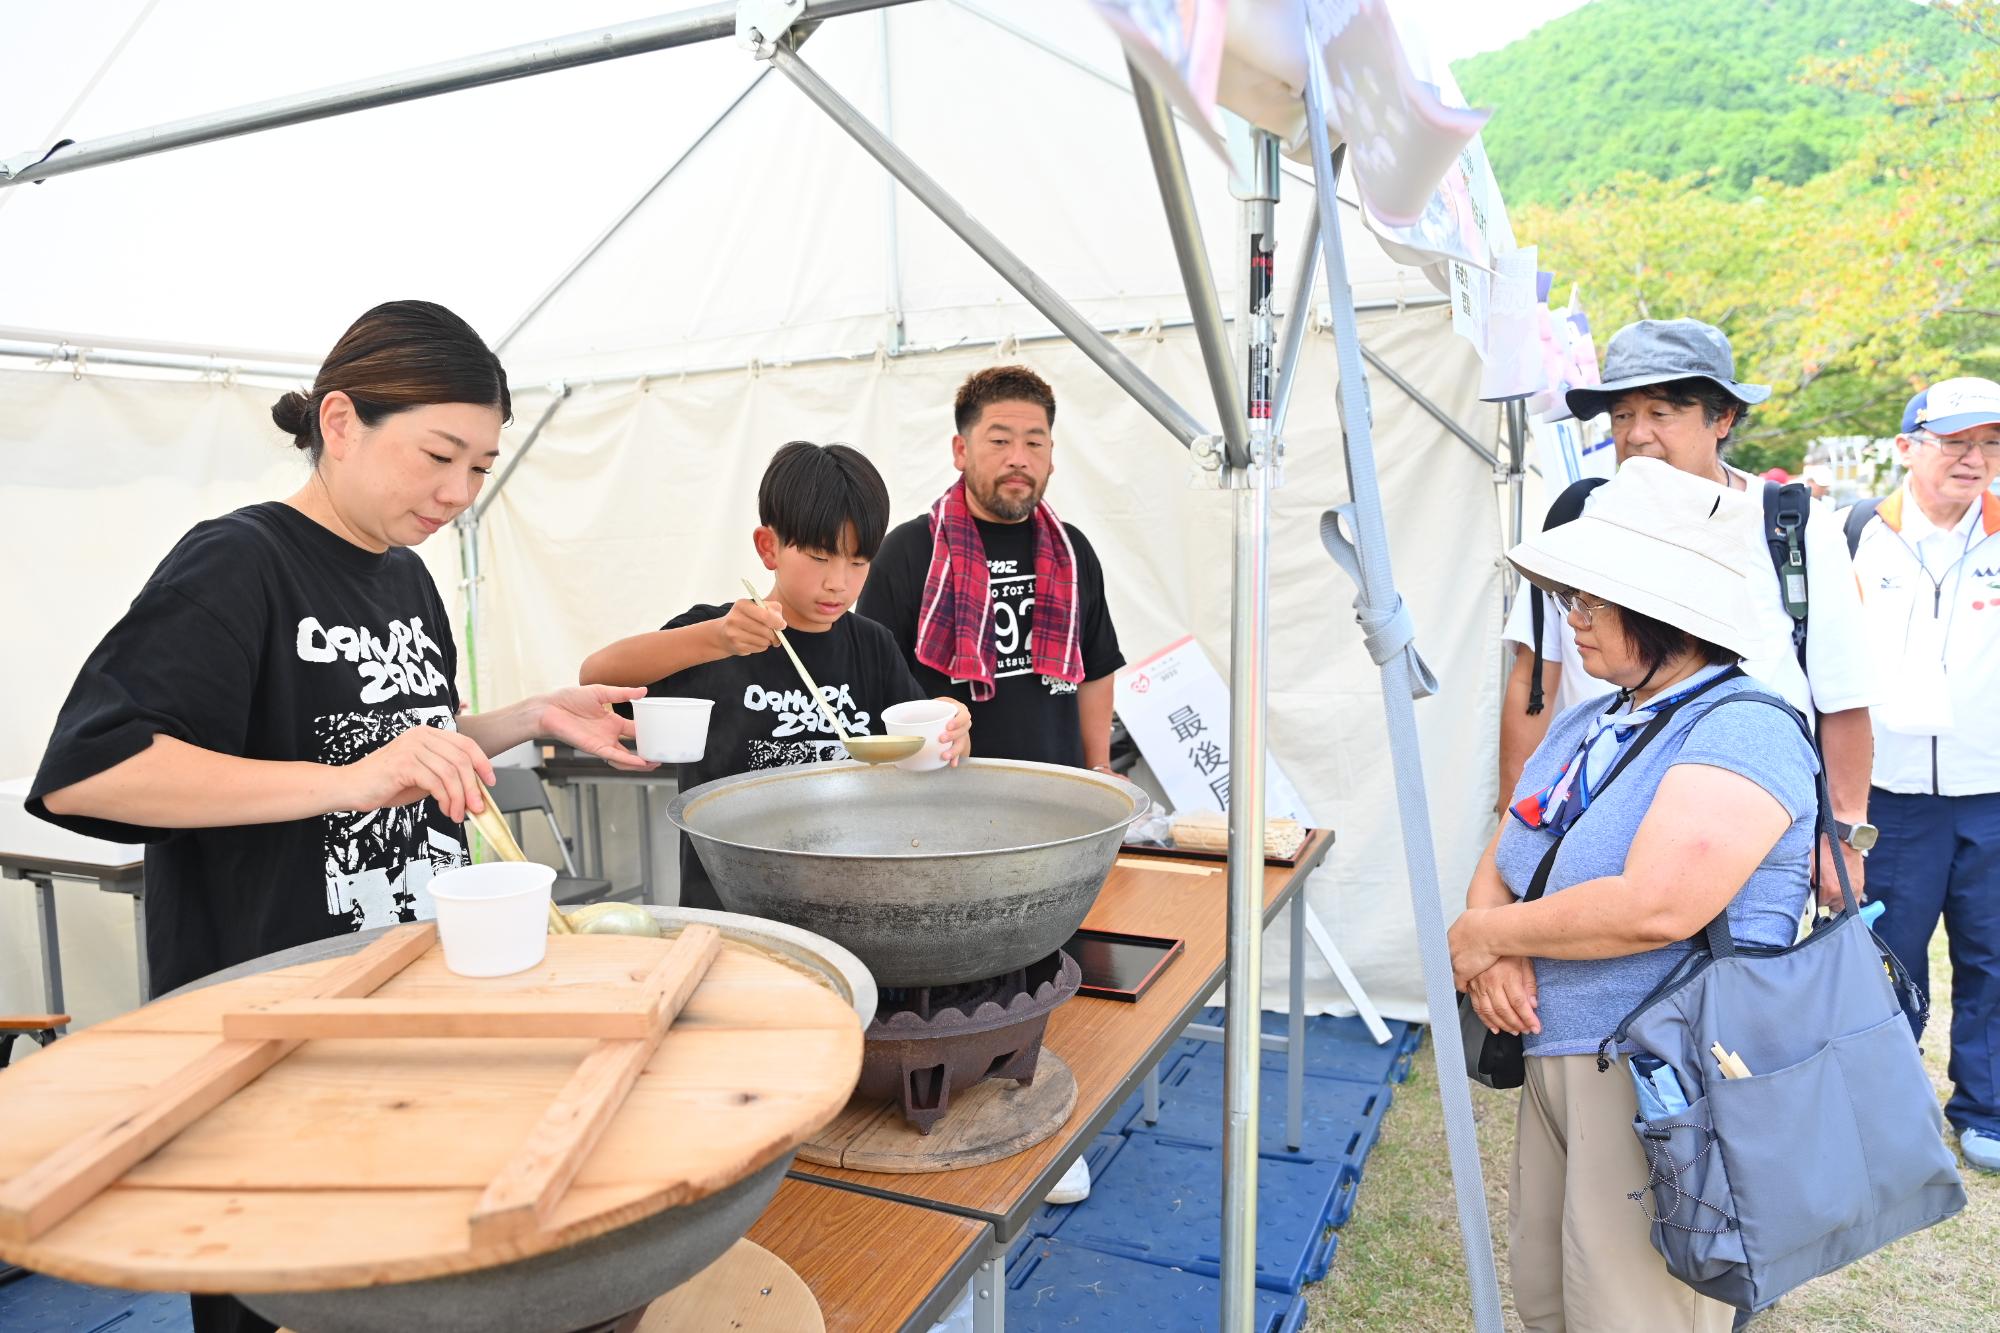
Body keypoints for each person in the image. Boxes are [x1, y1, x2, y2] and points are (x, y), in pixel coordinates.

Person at [28, 300, 654, 1333]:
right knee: (286, 1301)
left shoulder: (406, 576)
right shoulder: (238, 561)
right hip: (273, 1043)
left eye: (480, 468)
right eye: (438, 456)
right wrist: (348, 782)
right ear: (341, 421)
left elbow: (405, 738)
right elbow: (92, 771)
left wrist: (524, 717)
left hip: (406, 1015)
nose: (457, 494)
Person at [1452, 458, 1820, 1333]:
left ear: (1660, 608)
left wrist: (1488, 933)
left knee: (1637, 1310)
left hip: (1666, 1080)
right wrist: (1493, 942)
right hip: (1560, 1054)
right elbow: (1508, 847)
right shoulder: (1595, 719)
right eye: (1569, 598)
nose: (1571, 619)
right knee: (1552, 1293)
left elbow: (1657, 903)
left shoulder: (1743, 726)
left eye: (1590, 600)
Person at [1497, 318, 1874, 904]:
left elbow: (1842, 695)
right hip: (1588, 817)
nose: (1638, 435)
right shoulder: (1579, 520)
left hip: (1742, 824)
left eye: (1662, 412)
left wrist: (1842, 836)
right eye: (1622, 414)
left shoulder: (1793, 528)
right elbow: (1533, 681)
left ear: (1723, 418)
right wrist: (1510, 823)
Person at [579, 440, 970, 912]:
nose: (839, 582)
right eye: (820, 557)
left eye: (858, 562)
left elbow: (920, 761)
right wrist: (715, 639)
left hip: (850, 910)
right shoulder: (717, 634)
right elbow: (594, 677)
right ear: (770, 547)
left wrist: (950, 729)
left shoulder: (873, 646)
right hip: (728, 910)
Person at [1848, 377, 2000, 1174]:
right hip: (1891, 797)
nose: (1975, 459)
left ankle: (1988, 1108)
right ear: (1908, 447)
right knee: (1888, 953)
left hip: (1993, 791)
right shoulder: (1856, 535)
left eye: (1991, 444)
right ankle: (1884, 1107)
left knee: (1993, 954)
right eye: (1957, 442)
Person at [858, 365, 1125, 773]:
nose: (1019, 459)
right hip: (945, 797)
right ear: (960, 451)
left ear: (1051, 455)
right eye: (1000, 441)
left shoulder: (1072, 553)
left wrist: (1100, 768)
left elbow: (1097, 669)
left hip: (1059, 791)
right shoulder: (909, 552)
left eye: (1034, 443)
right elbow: (872, 686)